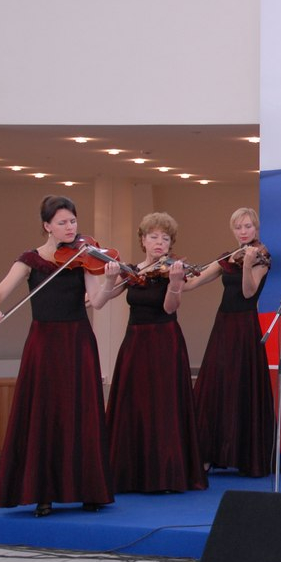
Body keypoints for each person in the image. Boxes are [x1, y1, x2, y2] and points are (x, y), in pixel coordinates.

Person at [0, 195, 113, 516]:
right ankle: (43, 492)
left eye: (73, 221)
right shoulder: (30, 260)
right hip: (43, 343)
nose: (70, 228)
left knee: (81, 411)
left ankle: (89, 489)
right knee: (45, 413)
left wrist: (109, 279)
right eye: (62, 222)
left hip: (78, 341)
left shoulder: (83, 257)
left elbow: (97, 302)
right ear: (47, 226)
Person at [93, 212, 206, 494]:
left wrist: (176, 284)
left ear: (170, 244)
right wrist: (108, 279)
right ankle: (129, 474)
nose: (159, 242)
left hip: (165, 342)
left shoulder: (172, 271)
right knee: (135, 405)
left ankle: (165, 475)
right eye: (153, 237)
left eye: (165, 238)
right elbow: (100, 302)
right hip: (135, 343)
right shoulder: (132, 272)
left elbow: (169, 308)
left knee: (163, 407)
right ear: (142, 240)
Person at [184, 207, 275, 477]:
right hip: (223, 325)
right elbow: (195, 281)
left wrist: (247, 265)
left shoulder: (262, 257)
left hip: (245, 326)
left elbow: (248, 292)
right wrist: (175, 278)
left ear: (256, 228)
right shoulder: (228, 256)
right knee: (216, 386)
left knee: (242, 387)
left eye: (248, 226)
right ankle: (208, 454)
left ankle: (245, 456)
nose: (243, 231)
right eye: (238, 227)